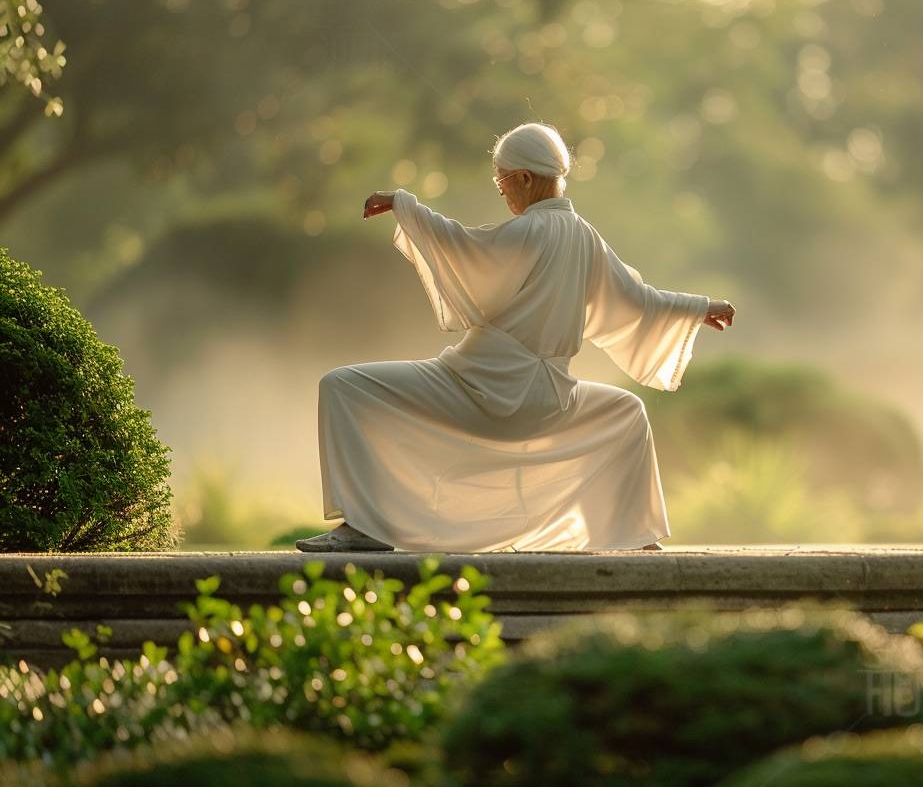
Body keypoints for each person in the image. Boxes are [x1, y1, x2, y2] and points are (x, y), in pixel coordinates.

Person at [297, 122, 735, 552]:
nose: (501, 189)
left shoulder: (528, 230)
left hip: (481, 389)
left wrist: (403, 203)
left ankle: (362, 526)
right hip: (551, 401)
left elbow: (463, 246)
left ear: (525, 178)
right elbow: (639, 299)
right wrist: (700, 308)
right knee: (628, 410)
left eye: (501, 180)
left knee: (343, 386)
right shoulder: (586, 237)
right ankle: (639, 535)